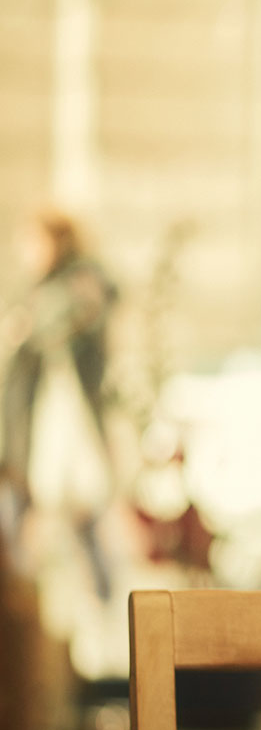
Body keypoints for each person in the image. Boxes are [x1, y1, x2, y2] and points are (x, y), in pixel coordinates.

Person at [1, 211, 117, 599]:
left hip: (59, 437)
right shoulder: (36, 294)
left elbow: (81, 311)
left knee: (77, 528)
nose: (25, 252)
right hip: (27, 439)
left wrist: (28, 322)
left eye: (32, 242)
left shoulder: (76, 288)